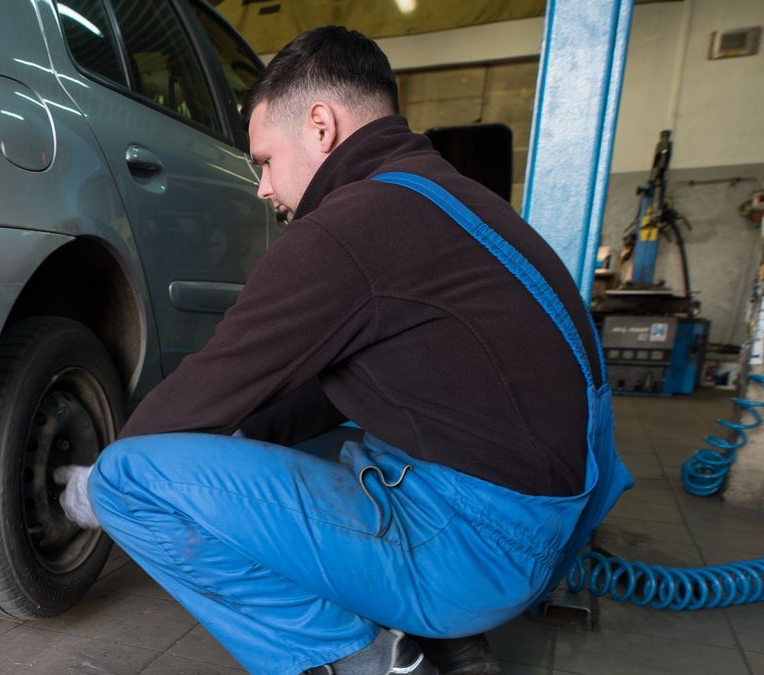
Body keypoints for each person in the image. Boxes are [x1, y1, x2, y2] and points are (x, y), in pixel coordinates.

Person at [54, 26, 633, 675]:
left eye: (265, 161)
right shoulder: (447, 196)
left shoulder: (348, 229)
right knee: (284, 433)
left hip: (480, 553)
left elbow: (214, 383)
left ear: (321, 127)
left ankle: (363, 661)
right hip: (538, 530)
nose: (263, 189)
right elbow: (329, 389)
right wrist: (238, 439)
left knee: (132, 479)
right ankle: (446, 639)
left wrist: (98, 484)